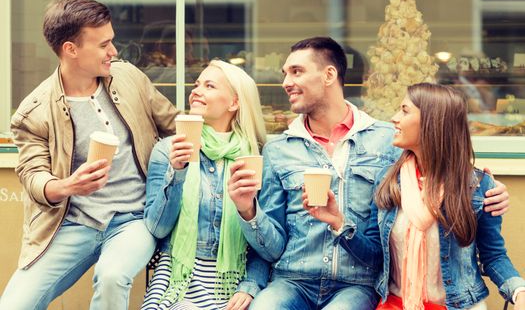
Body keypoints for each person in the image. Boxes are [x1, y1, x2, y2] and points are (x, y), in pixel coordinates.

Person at [227, 37, 510, 310]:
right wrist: (248, 211)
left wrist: (490, 192)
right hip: (293, 279)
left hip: (358, 282)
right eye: (285, 73)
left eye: (296, 71)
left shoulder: (388, 140)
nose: (286, 82)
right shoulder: (279, 149)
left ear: (329, 75)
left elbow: (441, 161)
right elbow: (271, 248)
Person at [0, 0, 179, 310]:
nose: (114, 51)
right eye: (104, 44)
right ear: (71, 49)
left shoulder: (129, 78)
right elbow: (32, 176)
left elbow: (174, 124)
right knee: (15, 305)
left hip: (133, 218)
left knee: (111, 277)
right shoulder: (33, 112)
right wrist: (68, 186)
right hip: (72, 224)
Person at [304, 82, 525, 310]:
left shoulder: (477, 186)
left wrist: (519, 291)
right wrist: (338, 222)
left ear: (432, 121)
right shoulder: (388, 181)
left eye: (405, 110)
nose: (394, 118)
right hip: (396, 305)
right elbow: (373, 257)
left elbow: (494, 256)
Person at [141, 60, 268, 310]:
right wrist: (177, 172)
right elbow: (157, 228)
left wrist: (252, 284)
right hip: (177, 278)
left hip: (233, 281)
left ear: (234, 102)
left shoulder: (256, 157)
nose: (196, 90)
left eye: (209, 86)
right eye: (197, 84)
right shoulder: (168, 150)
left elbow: (267, 243)